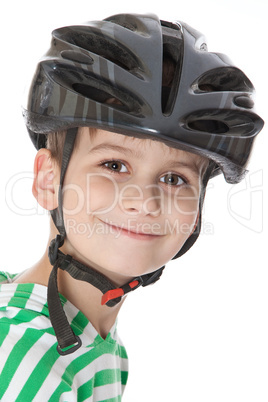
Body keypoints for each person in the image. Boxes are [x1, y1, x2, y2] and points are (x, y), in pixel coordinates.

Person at [0, 13, 263, 401]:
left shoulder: (102, 350)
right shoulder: (19, 353)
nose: (144, 202)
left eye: (175, 179)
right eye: (114, 165)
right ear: (47, 180)